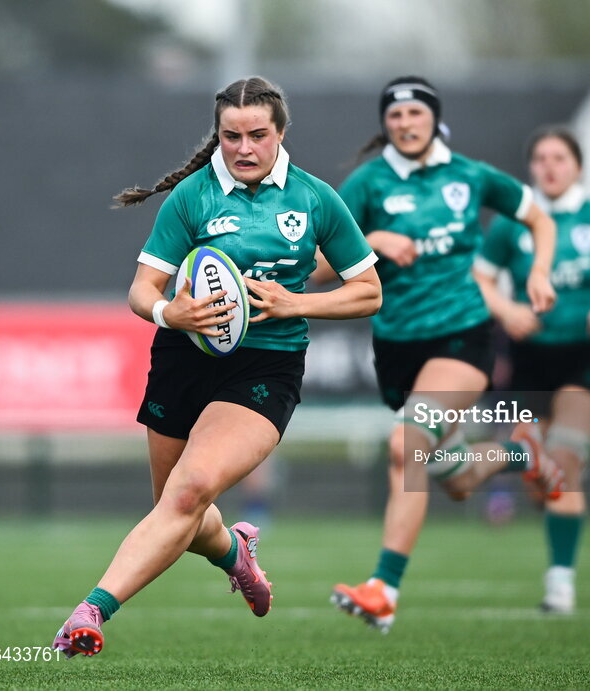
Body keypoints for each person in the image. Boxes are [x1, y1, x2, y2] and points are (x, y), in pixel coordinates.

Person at [50, 77, 381, 657]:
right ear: (218, 135)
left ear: (281, 133)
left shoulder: (315, 198)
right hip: (183, 355)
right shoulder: (193, 197)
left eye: (257, 135)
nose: (244, 148)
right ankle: (235, 553)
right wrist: (167, 311)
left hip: (266, 364)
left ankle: (90, 613)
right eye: (232, 136)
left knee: (191, 490)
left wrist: (294, 302)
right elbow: (142, 290)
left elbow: (369, 292)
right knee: (176, 507)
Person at [329, 76, 561, 634]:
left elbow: (540, 218)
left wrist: (538, 271)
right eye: (395, 116)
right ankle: (520, 453)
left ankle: (383, 589)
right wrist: (373, 242)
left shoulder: (470, 175)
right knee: (453, 478)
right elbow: (318, 263)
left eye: (415, 114)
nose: (405, 124)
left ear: (434, 118)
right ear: (385, 124)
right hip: (397, 349)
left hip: (463, 339)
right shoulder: (366, 185)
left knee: (406, 447)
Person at [474, 126, 590, 613]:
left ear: (578, 166)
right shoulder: (513, 224)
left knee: (564, 457)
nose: (550, 166)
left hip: (586, 358)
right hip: (530, 361)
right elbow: (481, 280)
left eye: (560, 158)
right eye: (542, 158)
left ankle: (560, 584)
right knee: (538, 474)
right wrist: (506, 310)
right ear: (531, 168)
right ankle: (551, 483)